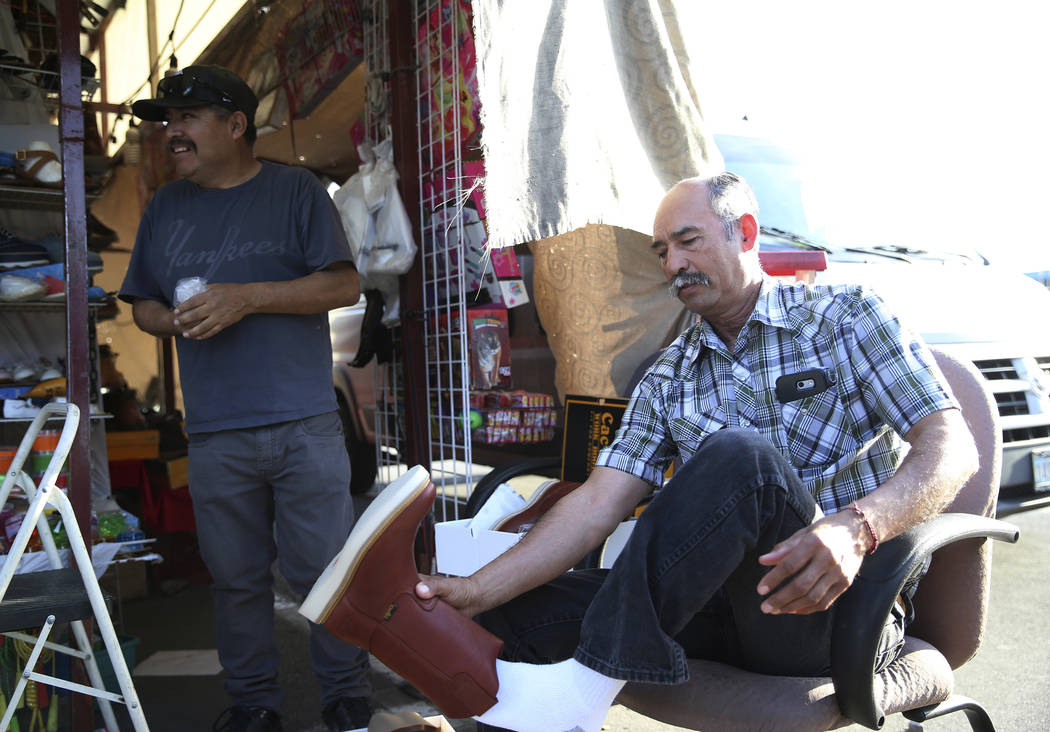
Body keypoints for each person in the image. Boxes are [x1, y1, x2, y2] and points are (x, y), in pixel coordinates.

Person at [353, 171, 977, 732]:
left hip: (831, 606)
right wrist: (477, 592)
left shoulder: (848, 317)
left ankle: (580, 693)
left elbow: (952, 447)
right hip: (719, 613)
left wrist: (859, 528)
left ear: (746, 233)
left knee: (744, 459)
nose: (673, 263)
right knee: (521, 611)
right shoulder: (668, 375)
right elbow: (598, 502)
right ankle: (501, 709)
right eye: (662, 252)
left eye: (689, 241)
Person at [119, 65, 373, 732]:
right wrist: (171, 321)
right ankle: (255, 702)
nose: (172, 131)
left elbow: (344, 286)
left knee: (325, 570)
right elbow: (141, 303)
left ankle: (345, 692)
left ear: (235, 126)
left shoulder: (295, 192)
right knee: (234, 581)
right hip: (214, 431)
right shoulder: (165, 209)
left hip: (304, 424)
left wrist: (247, 296)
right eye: (167, 120)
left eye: (188, 117)